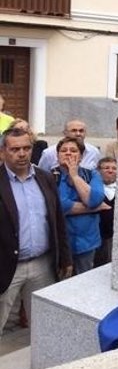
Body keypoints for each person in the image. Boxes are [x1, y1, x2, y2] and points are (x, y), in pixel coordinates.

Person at [0, 127, 72, 335]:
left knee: (42, 327)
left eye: (26, 148)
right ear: (3, 151)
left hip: (43, 266)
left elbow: (58, 219)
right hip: (6, 267)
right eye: (15, 149)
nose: (21, 154)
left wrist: (65, 258)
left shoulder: (45, 177)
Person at [54, 136, 105, 275]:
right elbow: (60, 205)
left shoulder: (92, 174)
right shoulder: (50, 177)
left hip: (87, 243)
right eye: (64, 150)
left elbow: (94, 200)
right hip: (60, 244)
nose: (68, 153)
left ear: (81, 156)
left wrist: (75, 177)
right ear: (57, 155)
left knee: (84, 284)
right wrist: (95, 208)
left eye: (73, 151)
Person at [94, 157, 117, 268]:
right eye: (106, 168)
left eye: (114, 168)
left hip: (116, 236)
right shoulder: (92, 189)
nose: (110, 170)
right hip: (98, 236)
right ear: (98, 171)